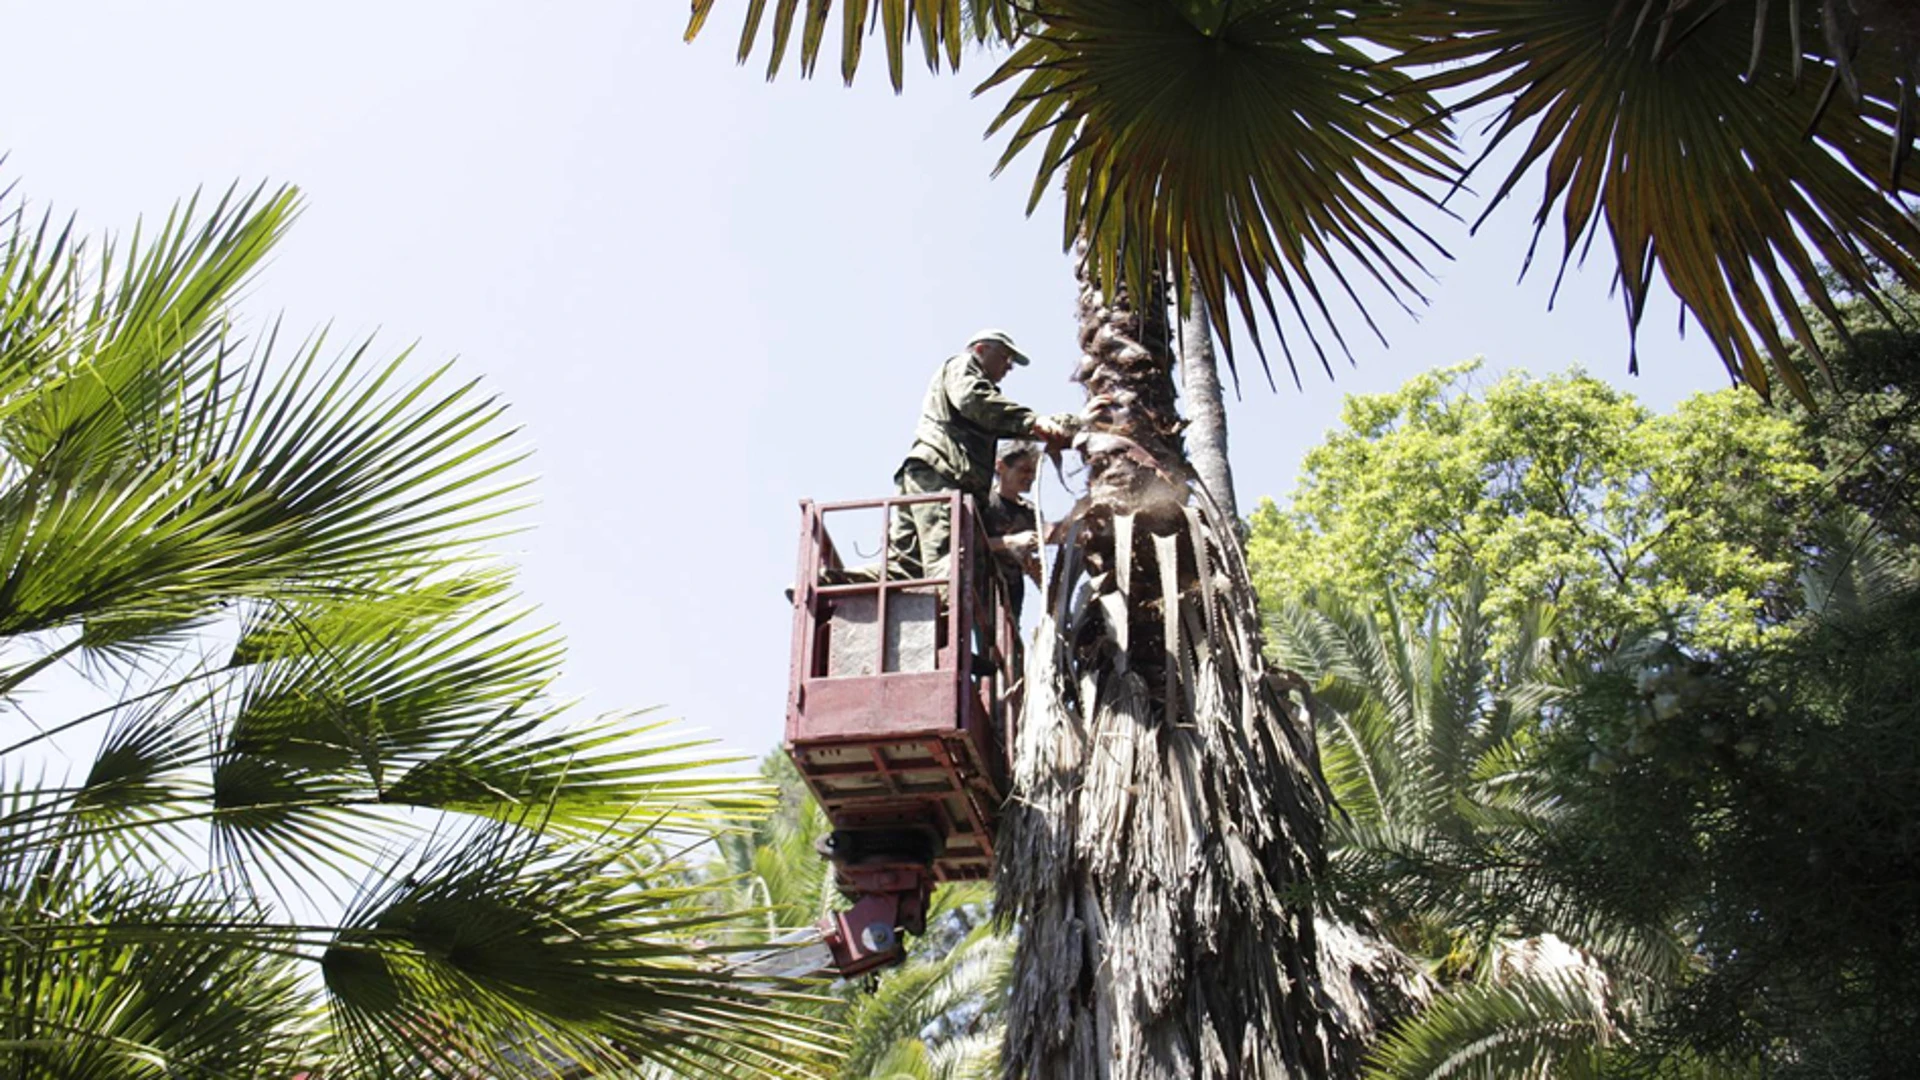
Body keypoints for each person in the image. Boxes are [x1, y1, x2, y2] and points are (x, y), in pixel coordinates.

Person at [886, 330, 1072, 582]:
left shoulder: (984, 407)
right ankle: (947, 614)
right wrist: (1032, 420)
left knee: (908, 570)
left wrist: (1077, 425)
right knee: (948, 565)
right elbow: (974, 400)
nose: (1009, 366)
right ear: (981, 349)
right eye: (1005, 356)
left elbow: (1007, 420)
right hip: (941, 476)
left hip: (928, 475)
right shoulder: (962, 366)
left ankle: (825, 582)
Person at [981, 440, 1042, 624]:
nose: (1030, 476)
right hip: (982, 586)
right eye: (1024, 469)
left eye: (1033, 471)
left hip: (1012, 593)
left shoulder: (1031, 513)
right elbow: (967, 544)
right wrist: (1010, 541)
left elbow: (1028, 559)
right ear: (1000, 467)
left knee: (1008, 647)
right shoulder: (984, 502)